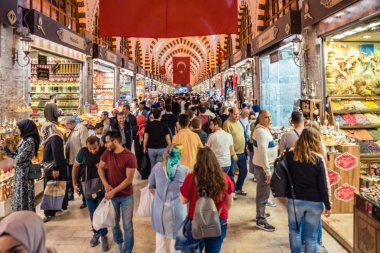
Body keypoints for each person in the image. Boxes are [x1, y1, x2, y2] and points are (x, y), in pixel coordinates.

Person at [180, 147, 234, 253]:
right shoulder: (224, 178)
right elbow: (229, 203)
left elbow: (183, 200)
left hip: (195, 222)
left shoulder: (191, 178)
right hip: (218, 221)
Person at [286, 127, 331, 253]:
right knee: (311, 237)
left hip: (295, 200)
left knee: (294, 231)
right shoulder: (318, 159)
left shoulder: (290, 155)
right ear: (316, 141)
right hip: (315, 202)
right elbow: (323, 185)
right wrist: (328, 205)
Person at [98, 131, 137, 253]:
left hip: (126, 197)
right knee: (114, 224)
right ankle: (118, 245)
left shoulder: (129, 156)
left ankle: (128, 250)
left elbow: (129, 179)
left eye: (107, 142)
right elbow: (100, 167)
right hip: (112, 197)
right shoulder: (107, 153)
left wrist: (113, 191)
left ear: (115, 141)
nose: (105, 145)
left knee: (128, 226)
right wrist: (106, 184)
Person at [72, 136, 109, 251]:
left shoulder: (104, 152)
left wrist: (104, 167)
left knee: (102, 213)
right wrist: (74, 184)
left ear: (99, 144)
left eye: (95, 148)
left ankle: (104, 236)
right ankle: (96, 233)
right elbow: (75, 167)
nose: (93, 151)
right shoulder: (82, 152)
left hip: (101, 187)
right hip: (87, 188)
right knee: (93, 213)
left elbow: (110, 167)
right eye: (90, 149)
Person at [149, 145, 187, 253]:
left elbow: (151, 185)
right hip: (178, 212)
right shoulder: (184, 171)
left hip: (160, 211)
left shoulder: (157, 167)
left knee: (160, 241)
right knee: (176, 244)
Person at [0, 119, 40, 212]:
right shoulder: (24, 139)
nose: (17, 130)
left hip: (24, 173)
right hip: (20, 172)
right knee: (20, 197)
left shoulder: (29, 141)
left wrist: (6, 163)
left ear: (25, 128)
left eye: (18, 128)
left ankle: (24, 220)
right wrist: (5, 147)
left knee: (23, 198)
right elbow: (16, 155)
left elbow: (18, 159)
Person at [252, 110, 277, 232]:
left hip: (264, 166)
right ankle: (260, 220)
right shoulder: (261, 132)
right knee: (263, 193)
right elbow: (262, 152)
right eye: (266, 117)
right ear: (260, 119)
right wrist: (267, 171)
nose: (269, 119)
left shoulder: (262, 129)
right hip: (263, 167)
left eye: (270, 117)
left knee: (264, 193)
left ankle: (260, 212)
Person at [41, 123, 68, 223]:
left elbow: (56, 154)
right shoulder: (53, 138)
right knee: (54, 188)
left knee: (50, 189)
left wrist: (55, 169)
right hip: (54, 168)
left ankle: (49, 213)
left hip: (54, 169)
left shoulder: (54, 138)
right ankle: (56, 207)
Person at [223, 107, 247, 199]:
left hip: (242, 152)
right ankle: (232, 191)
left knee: (244, 171)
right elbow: (227, 140)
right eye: (235, 114)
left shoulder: (238, 121)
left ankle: (238, 187)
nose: (237, 116)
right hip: (233, 154)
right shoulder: (227, 124)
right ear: (230, 113)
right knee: (231, 173)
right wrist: (233, 154)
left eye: (238, 114)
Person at [65, 116, 89, 207]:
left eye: (66, 125)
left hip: (79, 160)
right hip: (70, 159)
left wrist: (83, 159)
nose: (65, 127)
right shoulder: (70, 131)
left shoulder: (82, 129)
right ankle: (71, 195)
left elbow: (84, 145)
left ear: (70, 123)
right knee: (72, 179)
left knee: (81, 180)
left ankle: (85, 200)